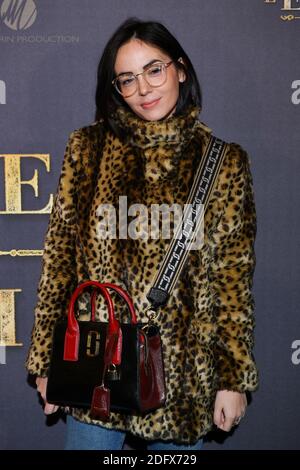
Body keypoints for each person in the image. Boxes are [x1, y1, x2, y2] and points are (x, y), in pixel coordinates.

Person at [25, 17, 259, 450]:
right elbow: (59, 260)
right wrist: (47, 361)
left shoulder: (221, 162)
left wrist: (232, 380)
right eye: (127, 79)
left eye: (154, 69)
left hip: (183, 379)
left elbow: (233, 281)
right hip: (96, 369)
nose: (143, 89)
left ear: (181, 69)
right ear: (116, 88)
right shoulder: (87, 149)